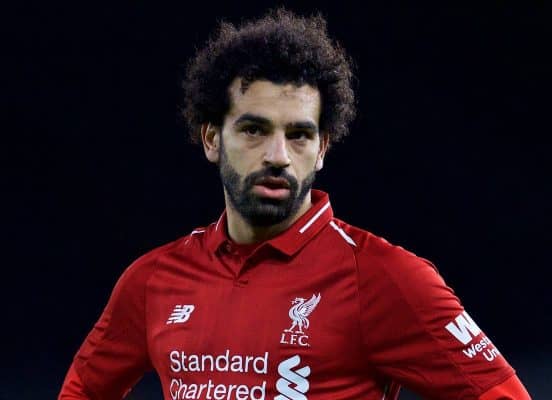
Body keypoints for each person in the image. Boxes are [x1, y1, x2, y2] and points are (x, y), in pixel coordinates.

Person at [59, 9, 531, 400]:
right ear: (210, 138)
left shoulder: (386, 278)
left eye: (299, 134)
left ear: (322, 147)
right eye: (254, 130)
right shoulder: (152, 281)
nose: (278, 156)